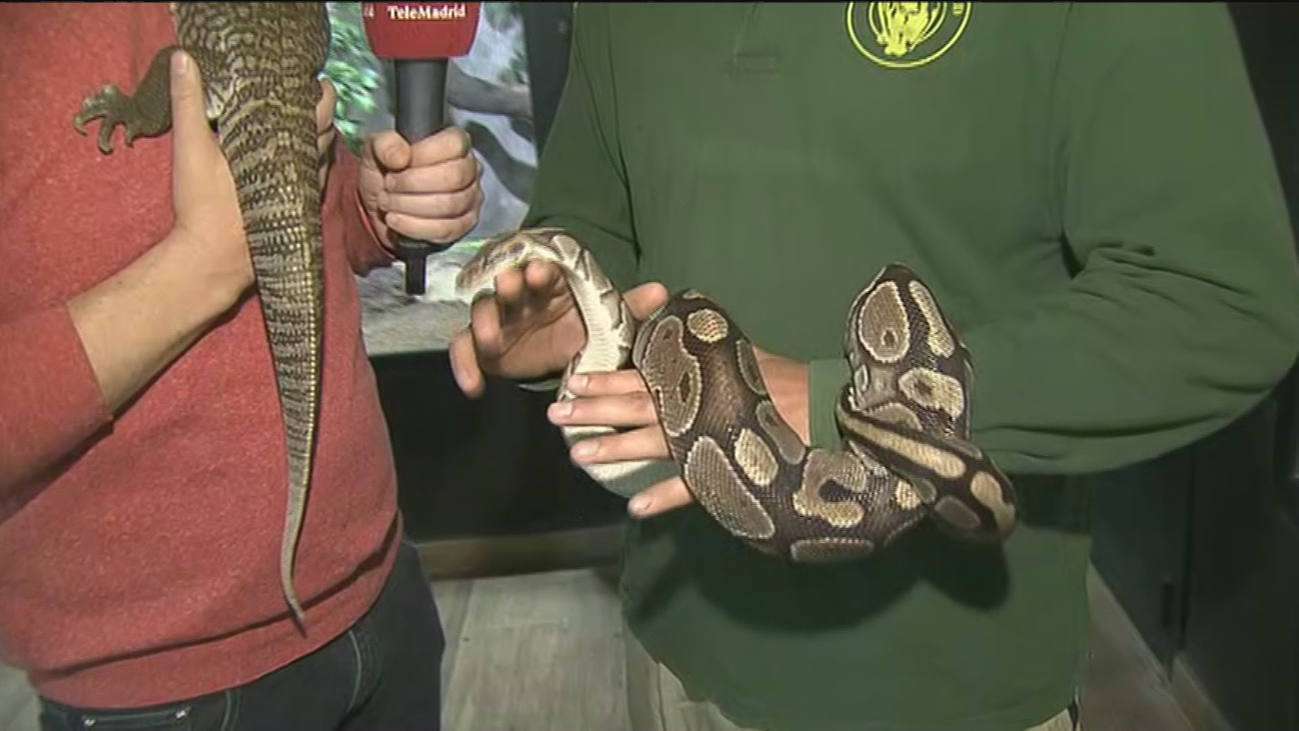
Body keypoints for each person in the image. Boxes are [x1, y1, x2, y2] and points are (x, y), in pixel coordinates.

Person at [449, 3, 1299, 730]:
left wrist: (849, 405)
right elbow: (593, 212)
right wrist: (568, 313)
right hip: (681, 649)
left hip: (944, 687)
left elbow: (1223, 298)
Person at [0, 4, 481, 730]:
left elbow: (314, 208)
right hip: (159, 682)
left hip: (377, 587)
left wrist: (372, 203)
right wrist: (200, 267)